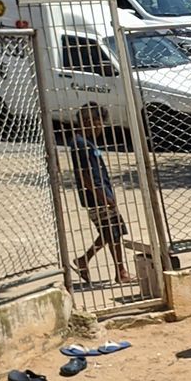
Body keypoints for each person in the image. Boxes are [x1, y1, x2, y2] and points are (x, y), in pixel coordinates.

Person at [67, 104, 132, 286]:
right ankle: (115, 269)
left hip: (102, 194)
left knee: (113, 231)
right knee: (110, 231)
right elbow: (84, 174)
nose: (101, 128)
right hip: (95, 197)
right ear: (89, 122)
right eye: (99, 123)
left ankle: (116, 269)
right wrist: (103, 197)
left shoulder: (87, 142)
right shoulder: (79, 144)